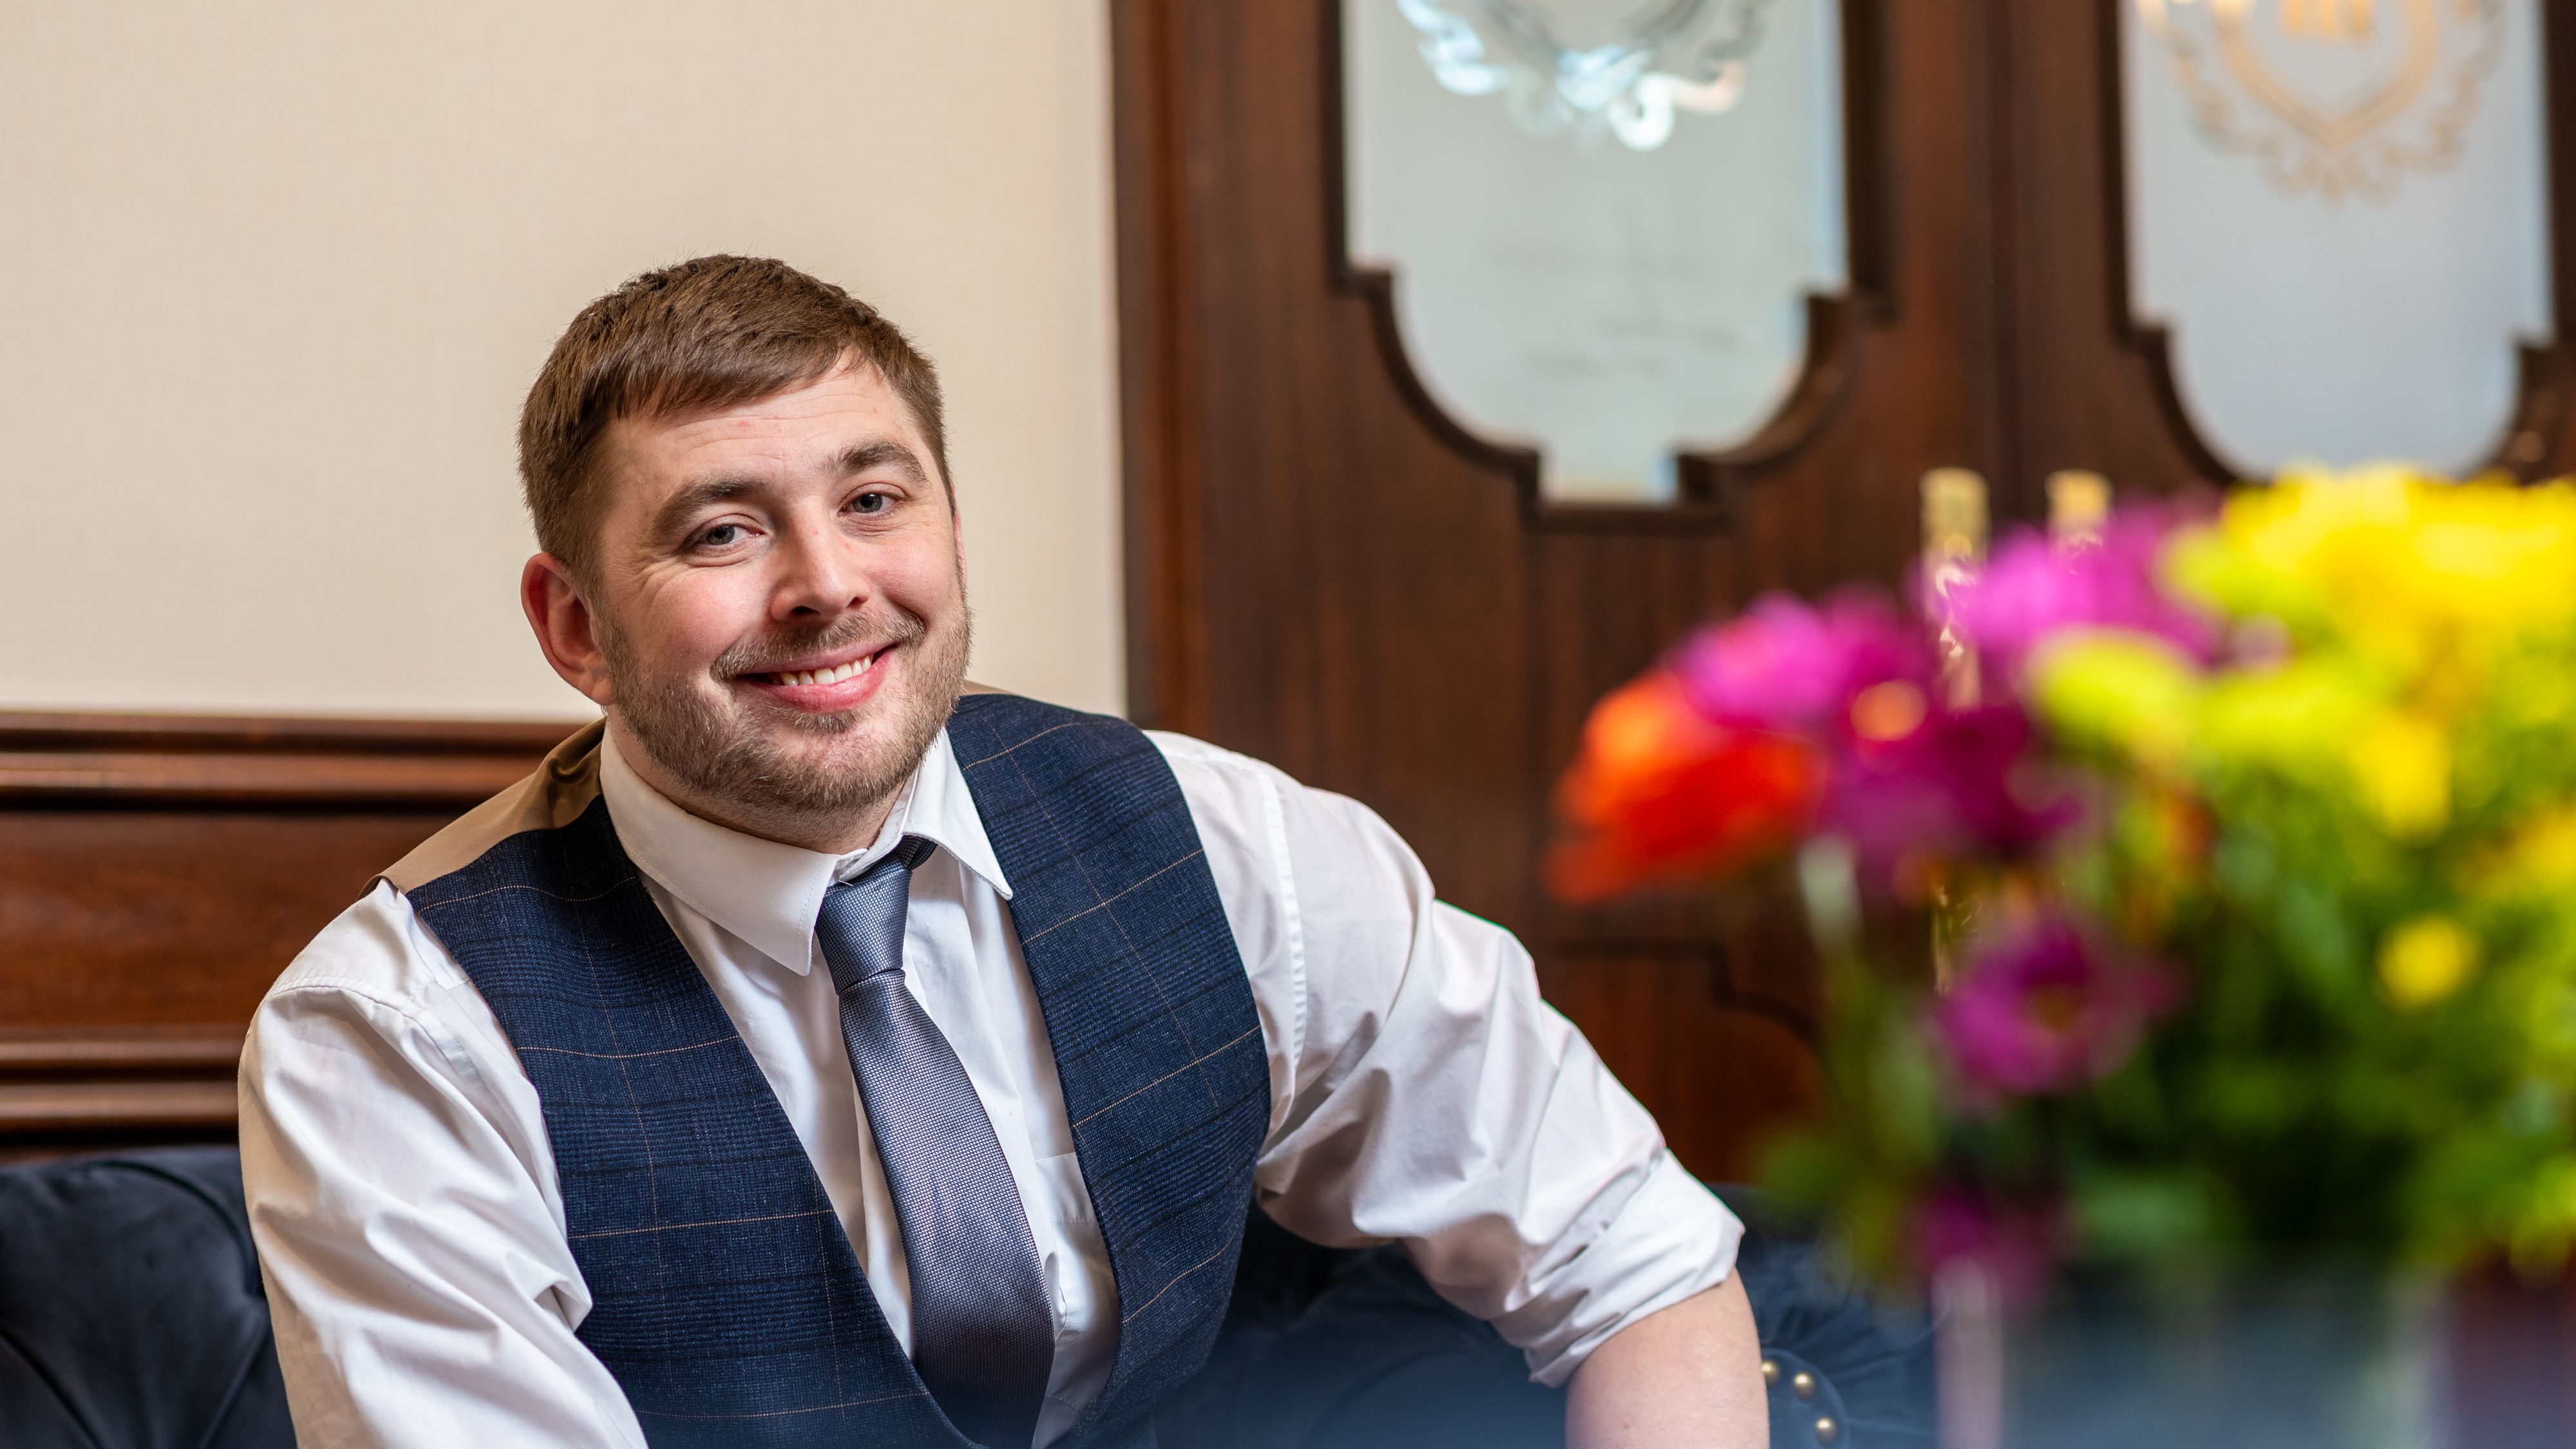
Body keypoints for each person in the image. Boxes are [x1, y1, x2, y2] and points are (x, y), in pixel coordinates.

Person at [238, 254, 1768, 1448]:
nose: (827, 585)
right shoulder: (395, 1034)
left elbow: (1627, 1255)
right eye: (720, 532)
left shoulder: (1221, 843)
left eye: (874, 499)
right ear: (577, 627)